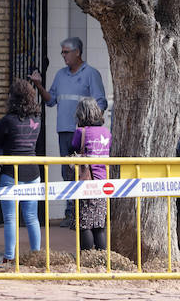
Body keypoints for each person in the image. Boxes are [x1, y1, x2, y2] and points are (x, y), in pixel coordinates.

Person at [30, 36, 106, 225]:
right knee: (68, 172)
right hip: (64, 130)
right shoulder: (61, 75)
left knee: (85, 171)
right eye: (62, 52)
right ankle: (71, 212)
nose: (63, 56)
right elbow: (50, 100)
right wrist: (39, 85)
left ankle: (85, 212)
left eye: (66, 52)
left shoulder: (91, 74)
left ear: (77, 52)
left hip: (83, 133)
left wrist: (90, 128)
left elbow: (101, 103)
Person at [0, 80, 41, 263]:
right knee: (32, 217)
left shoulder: (8, 121)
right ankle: (36, 255)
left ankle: (9, 257)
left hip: (11, 173)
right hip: (33, 173)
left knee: (10, 218)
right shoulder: (37, 120)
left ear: (13, 99)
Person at [70, 96, 111, 251]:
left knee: (84, 223)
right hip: (103, 182)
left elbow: (72, 147)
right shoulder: (106, 132)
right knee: (99, 224)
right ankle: (102, 258)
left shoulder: (81, 132)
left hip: (85, 182)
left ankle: (87, 258)